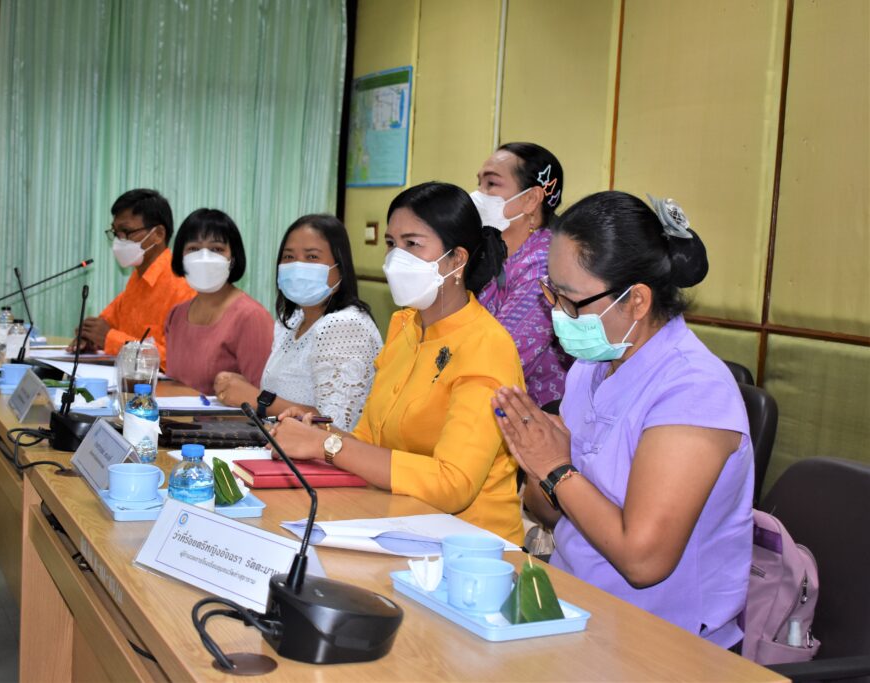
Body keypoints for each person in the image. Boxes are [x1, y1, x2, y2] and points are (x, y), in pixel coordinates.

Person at [492, 191, 753, 647]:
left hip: (664, 639)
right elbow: (548, 512)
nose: (557, 313)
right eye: (552, 292)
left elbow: (643, 562)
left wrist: (555, 467)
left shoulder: (694, 390)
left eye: (571, 300)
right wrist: (537, 462)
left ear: (636, 300)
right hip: (574, 604)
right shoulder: (591, 366)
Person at [270, 182, 525, 544]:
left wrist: (327, 447)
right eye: (391, 244)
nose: (395, 258)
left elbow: (454, 484)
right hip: (394, 520)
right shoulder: (405, 326)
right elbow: (368, 442)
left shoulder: (487, 346)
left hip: (470, 545)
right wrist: (319, 434)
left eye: (412, 244)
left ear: (457, 259)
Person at [212, 214, 381, 431]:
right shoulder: (292, 320)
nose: (298, 266)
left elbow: (334, 426)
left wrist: (258, 399)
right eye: (289, 257)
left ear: (340, 266)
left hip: (317, 452)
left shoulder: (344, 324)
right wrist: (242, 389)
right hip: (278, 443)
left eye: (312, 257)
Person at [472, 142, 569, 407]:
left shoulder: (545, 266)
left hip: (533, 413)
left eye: (491, 184)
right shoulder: (495, 252)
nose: (479, 194)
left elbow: (499, 358)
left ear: (530, 199)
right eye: (479, 183)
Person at [74, 189, 195, 369]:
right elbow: (104, 324)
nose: (119, 241)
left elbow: (177, 359)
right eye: (116, 233)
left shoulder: (184, 286)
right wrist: (88, 337)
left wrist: (109, 339)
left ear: (158, 234)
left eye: (126, 231)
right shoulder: (137, 279)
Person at [163, 209, 273, 395]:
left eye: (216, 249)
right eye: (193, 249)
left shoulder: (251, 317)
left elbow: (262, 396)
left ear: (232, 259)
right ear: (181, 257)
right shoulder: (176, 315)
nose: (204, 258)